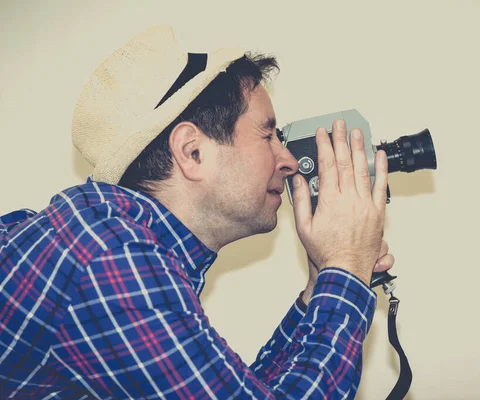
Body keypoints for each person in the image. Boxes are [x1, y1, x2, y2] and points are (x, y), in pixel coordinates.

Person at [0, 25, 394, 399]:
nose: (288, 159)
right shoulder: (108, 257)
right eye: (268, 134)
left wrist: (321, 288)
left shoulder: (110, 243)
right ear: (192, 151)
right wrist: (347, 269)